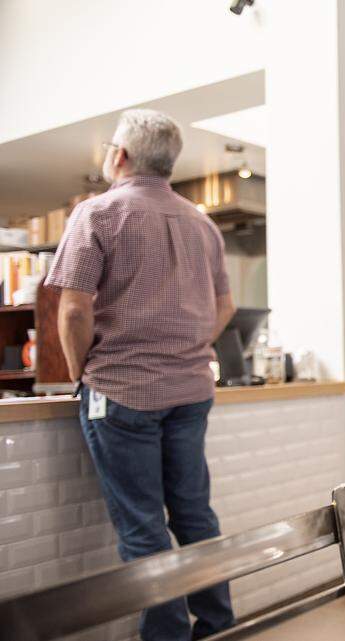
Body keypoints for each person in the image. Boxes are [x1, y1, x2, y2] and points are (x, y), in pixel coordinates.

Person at [45, 109, 236, 641]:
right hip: (190, 391)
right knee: (195, 516)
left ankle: (167, 637)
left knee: (142, 528)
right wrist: (189, 346)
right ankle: (218, 626)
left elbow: (74, 311)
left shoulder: (97, 214)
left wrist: (83, 374)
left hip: (120, 391)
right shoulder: (202, 222)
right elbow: (225, 307)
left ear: (120, 155)